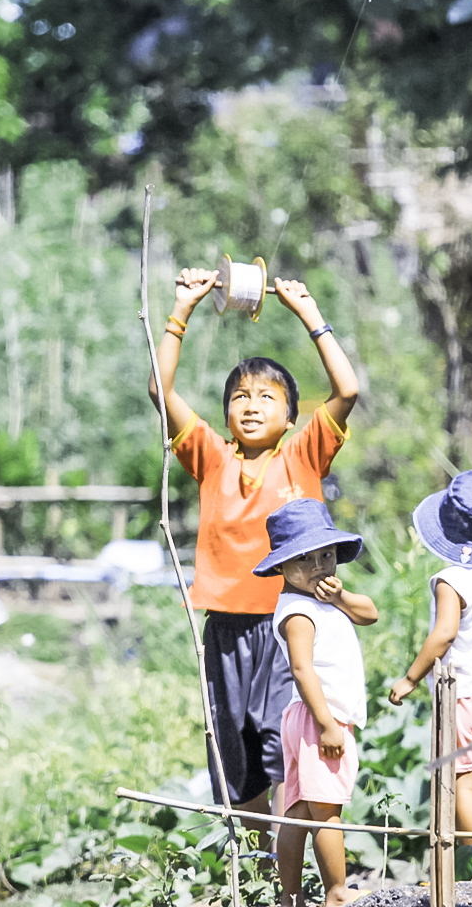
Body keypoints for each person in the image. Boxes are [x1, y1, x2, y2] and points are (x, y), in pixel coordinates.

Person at [148, 267, 359, 835]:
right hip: (225, 628)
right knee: (235, 750)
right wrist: (181, 311)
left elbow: (348, 390)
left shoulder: (303, 457)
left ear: (291, 417)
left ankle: (295, 861)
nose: (251, 404)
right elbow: (159, 392)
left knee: (283, 738)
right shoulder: (212, 459)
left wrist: (308, 313)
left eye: (268, 397)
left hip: (290, 621)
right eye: (240, 396)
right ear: (224, 417)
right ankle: (261, 865)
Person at [388, 470, 472, 883]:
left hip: (465, 696)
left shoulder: (451, 580)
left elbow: (444, 634)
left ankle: (466, 873)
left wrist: (411, 678)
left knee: (461, 786)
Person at [255, 498, 377, 907]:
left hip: (308, 716)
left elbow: (370, 613)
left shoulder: (321, 600)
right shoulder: (298, 613)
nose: (319, 567)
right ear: (281, 568)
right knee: (327, 810)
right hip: (316, 716)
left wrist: (340, 598)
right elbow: (302, 670)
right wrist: (327, 723)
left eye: (326, 555)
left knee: (300, 811)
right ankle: (337, 892)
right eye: (304, 559)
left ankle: (289, 896)